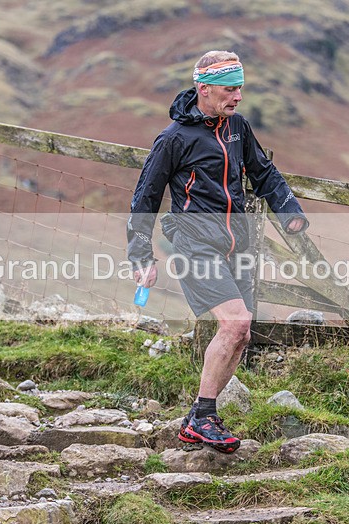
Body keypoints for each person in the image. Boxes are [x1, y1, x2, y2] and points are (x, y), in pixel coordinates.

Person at [127, 50, 308, 453]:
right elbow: (145, 198)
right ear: (203, 88)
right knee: (235, 324)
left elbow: (263, 172)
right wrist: (141, 257)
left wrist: (289, 211)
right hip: (193, 244)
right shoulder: (174, 139)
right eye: (230, 89)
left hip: (234, 245)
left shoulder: (237, 128)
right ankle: (203, 416)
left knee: (241, 333)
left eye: (241, 88)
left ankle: (199, 417)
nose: (238, 96)